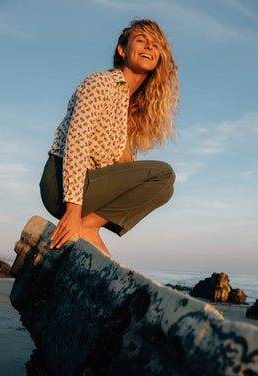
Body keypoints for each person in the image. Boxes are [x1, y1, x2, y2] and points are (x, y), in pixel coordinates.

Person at [40, 18, 179, 258]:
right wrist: (73, 211)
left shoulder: (133, 110)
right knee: (163, 174)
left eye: (155, 45)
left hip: (88, 189)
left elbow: (122, 172)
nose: (148, 47)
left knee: (164, 187)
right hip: (61, 184)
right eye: (141, 40)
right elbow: (76, 142)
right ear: (123, 50)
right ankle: (86, 226)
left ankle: (88, 227)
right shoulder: (100, 82)